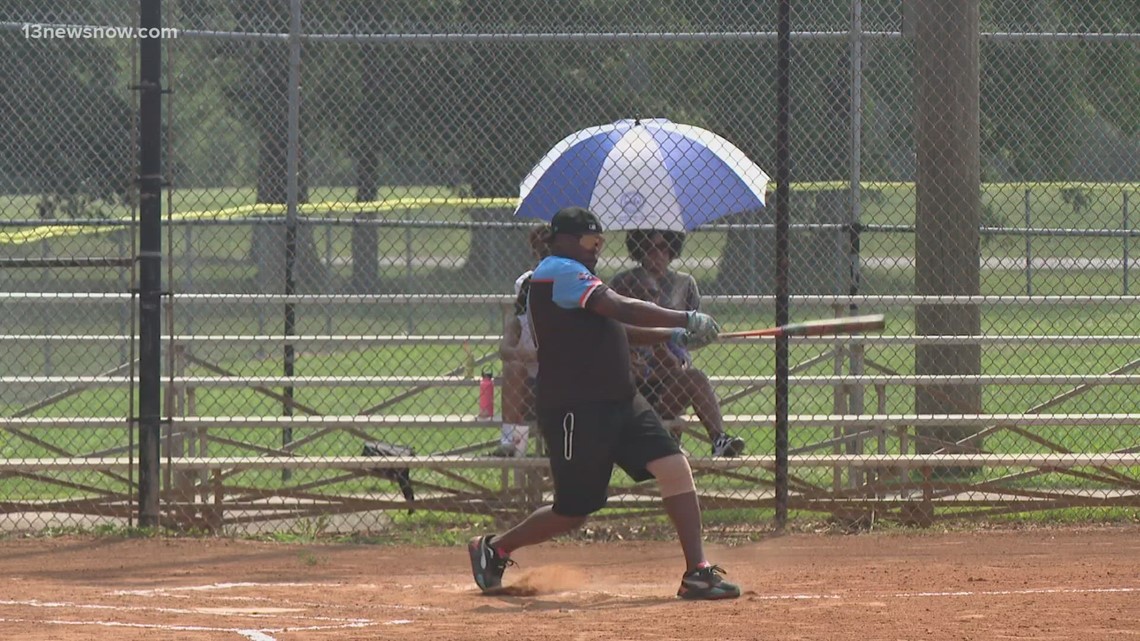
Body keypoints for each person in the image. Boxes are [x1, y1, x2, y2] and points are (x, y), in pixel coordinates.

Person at [468, 207, 740, 601]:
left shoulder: (579, 277)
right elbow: (623, 309)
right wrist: (685, 317)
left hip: (622, 402)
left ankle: (697, 572)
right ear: (562, 239)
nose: (596, 249)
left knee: (674, 467)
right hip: (575, 409)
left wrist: (671, 335)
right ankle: (495, 548)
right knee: (573, 512)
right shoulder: (557, 271)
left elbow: (621, 328)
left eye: (599, 242)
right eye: (589, 241)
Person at [611, 229, 745, 457]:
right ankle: (660, 447)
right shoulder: (622, 282)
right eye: (649, 248)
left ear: (672, 249)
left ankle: (719, 440)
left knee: (694, 378)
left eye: (663, 247)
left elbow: (685, 346)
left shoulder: (685, 284)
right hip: (628, 388)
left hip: (667, 383)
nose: (657, 254)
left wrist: (666, 342)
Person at [492, 225, 550, 457]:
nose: (544, 250)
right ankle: (514, 446)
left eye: (550, 244)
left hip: (562, 383)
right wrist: (525, 355)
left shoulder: (571, 284)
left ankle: (556, 450)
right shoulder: (526, 286)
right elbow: (505, 348)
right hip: (530, 385)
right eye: (540, 246)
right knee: (514, 369)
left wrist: (544, 356)